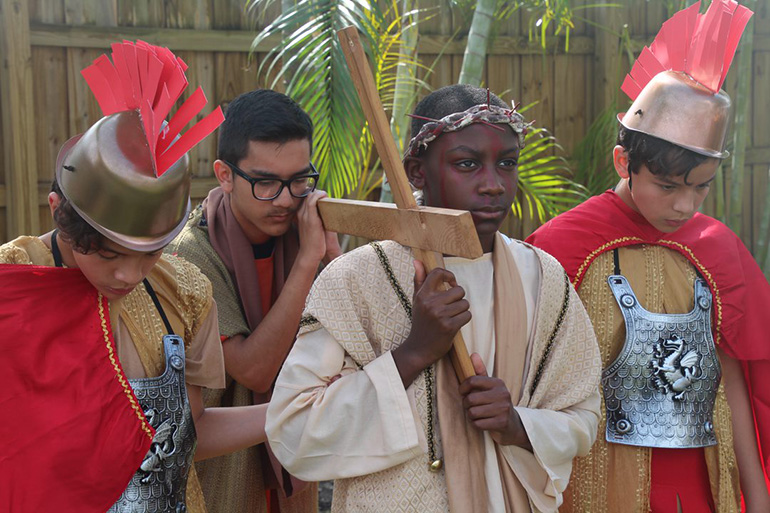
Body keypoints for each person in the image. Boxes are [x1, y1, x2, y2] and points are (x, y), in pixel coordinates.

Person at [265, 84, 603, 512]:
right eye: (468, 164)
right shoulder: (356, 280)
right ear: (417, 172)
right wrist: (413, 352)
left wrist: (519, 424)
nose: (494, 185)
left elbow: (583, 415)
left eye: (507, 163)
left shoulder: (543, 278)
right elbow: (293, 430)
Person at [0, 41, 269, 513]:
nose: (127, 274)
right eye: (107, 253)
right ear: (60, 213)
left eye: (149, 253)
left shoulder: (185, 294)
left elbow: (184, 433)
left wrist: (289, 414)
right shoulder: (12, 284)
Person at [526, 1, 770, 511]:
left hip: (702, 484)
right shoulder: (561, 246)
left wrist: (758, 495)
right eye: (666, 186)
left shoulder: (717, 250)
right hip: (592, 485)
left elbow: (738, 379)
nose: (684, 205)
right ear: (624, 161)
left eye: (700, 188)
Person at [167, 89, 340, 512]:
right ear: (225, 175)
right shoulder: (192, 255)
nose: (285, 199)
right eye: (265, 183)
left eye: (299, 180)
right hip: (224, 476)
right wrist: (308, 262)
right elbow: (255, 370)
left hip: (294, 472)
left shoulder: (308, 233)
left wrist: (334, 257)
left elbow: (352, 333)